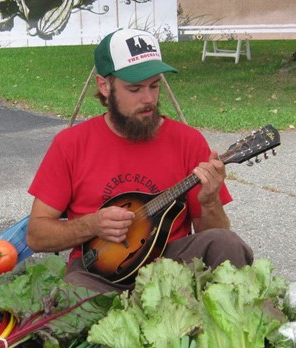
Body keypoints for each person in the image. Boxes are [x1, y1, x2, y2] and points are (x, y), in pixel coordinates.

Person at [26, 28, 253, 293]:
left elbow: (213, 233)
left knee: (227, 244)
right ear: (104, 86)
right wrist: (92, 224)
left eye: (154, 85)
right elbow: (36, 235)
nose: (148, 99)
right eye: (134, 88)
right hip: (98, 274)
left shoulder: (188, 141)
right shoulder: (71, 144)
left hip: (171, 268)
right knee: (74, 293)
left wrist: (210, 201)